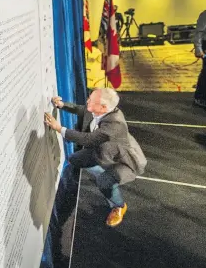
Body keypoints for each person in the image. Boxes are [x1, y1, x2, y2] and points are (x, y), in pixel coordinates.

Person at [44, 88, 146, 229]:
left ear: (103, 107)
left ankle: (119, 206)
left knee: (104, 181)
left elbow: (87, 139)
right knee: (75, 159)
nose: (87, 101)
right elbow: (83, 110)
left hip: (124, 160)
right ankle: (102, 171)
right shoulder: (99, 109)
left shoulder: (115, 124)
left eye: (91, 100)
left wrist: (59, 128)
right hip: (102, 151)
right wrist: (63, 105)